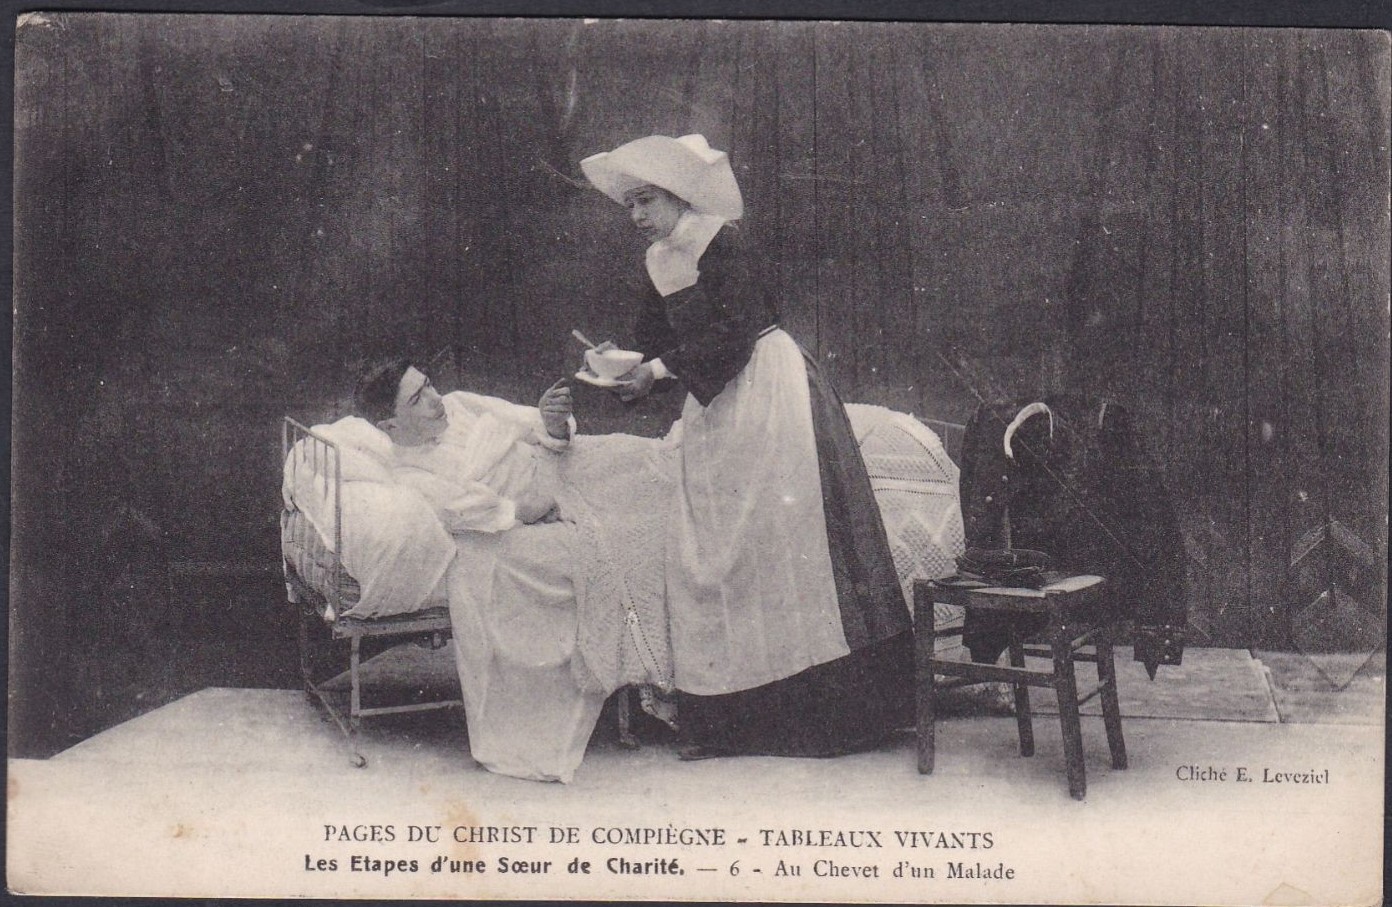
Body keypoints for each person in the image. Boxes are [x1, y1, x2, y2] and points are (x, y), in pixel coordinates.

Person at [579, 134, 912, 759]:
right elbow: (655, 345)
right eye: (630, 205)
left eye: (647, 201)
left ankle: (830, 719)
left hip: (770, 395)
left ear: (679, 195)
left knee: (785, 546)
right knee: (716, 552)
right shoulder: (658, 260)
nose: (638, 215)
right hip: (716, 408)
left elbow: (738, 333)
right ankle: (731, 721)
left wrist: (658, 370)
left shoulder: (723, 242)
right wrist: (621, 365)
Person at [353, 357, 607, 783]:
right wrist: (534, 505)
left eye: (429, 385)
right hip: (540, 511)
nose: (435, 399)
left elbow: (536, 426)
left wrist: (551, 422)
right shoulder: (413, 477)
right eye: (417, 399)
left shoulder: (460, 405)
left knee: (652, 463)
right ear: (390, 425)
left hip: (570, 466)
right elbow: (501, 513)